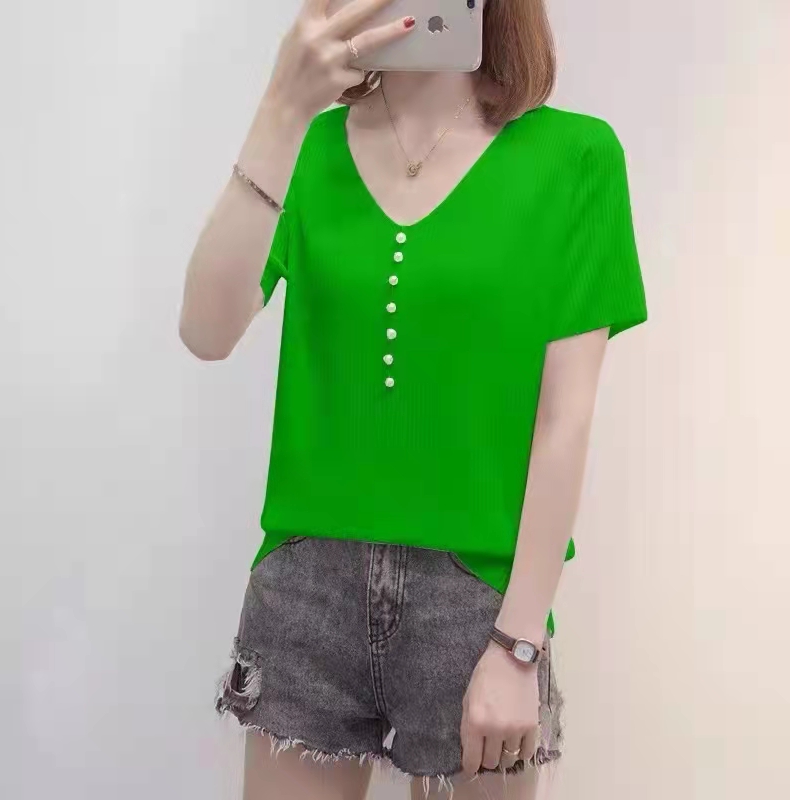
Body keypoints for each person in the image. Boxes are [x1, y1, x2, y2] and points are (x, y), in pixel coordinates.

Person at [179, 0, 647, 798]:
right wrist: (281, 110)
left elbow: (563, 423)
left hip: (477, 602)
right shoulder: (310, 150)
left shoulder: (576, 157)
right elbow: (206, 329)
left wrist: (519, 644)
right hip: (306, 585)